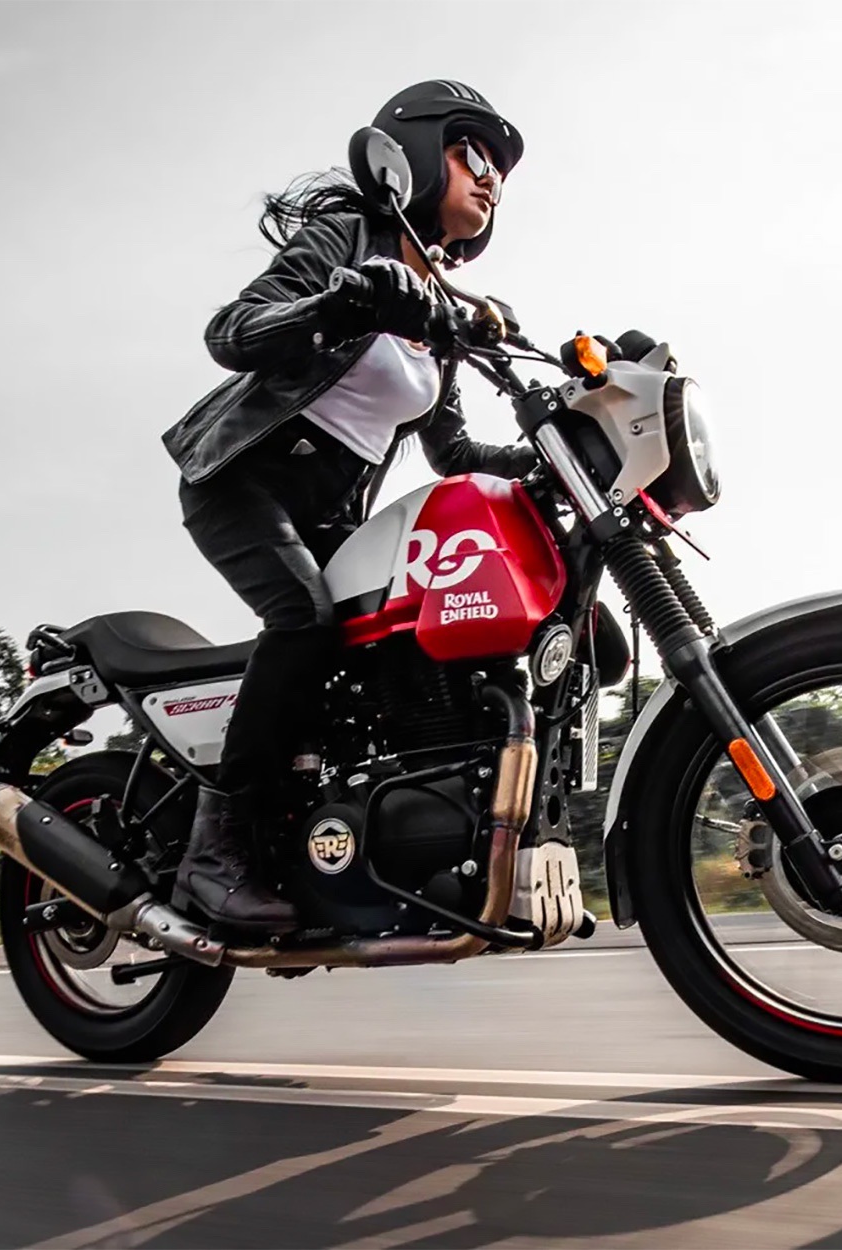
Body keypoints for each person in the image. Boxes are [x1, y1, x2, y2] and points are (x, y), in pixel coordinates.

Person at [160, 81, 537, 933]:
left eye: (500, 175)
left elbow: (456, 454)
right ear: (412, 150)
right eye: (472, 155)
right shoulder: (350, 241)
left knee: (385, 644)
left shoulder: (435, 303)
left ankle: (337, 842)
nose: (489, 181)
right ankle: (213, 855)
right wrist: (341, 300)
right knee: (303, 622)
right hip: (243, 481)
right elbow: (233, 329)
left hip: (330, 510)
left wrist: (551, 459)